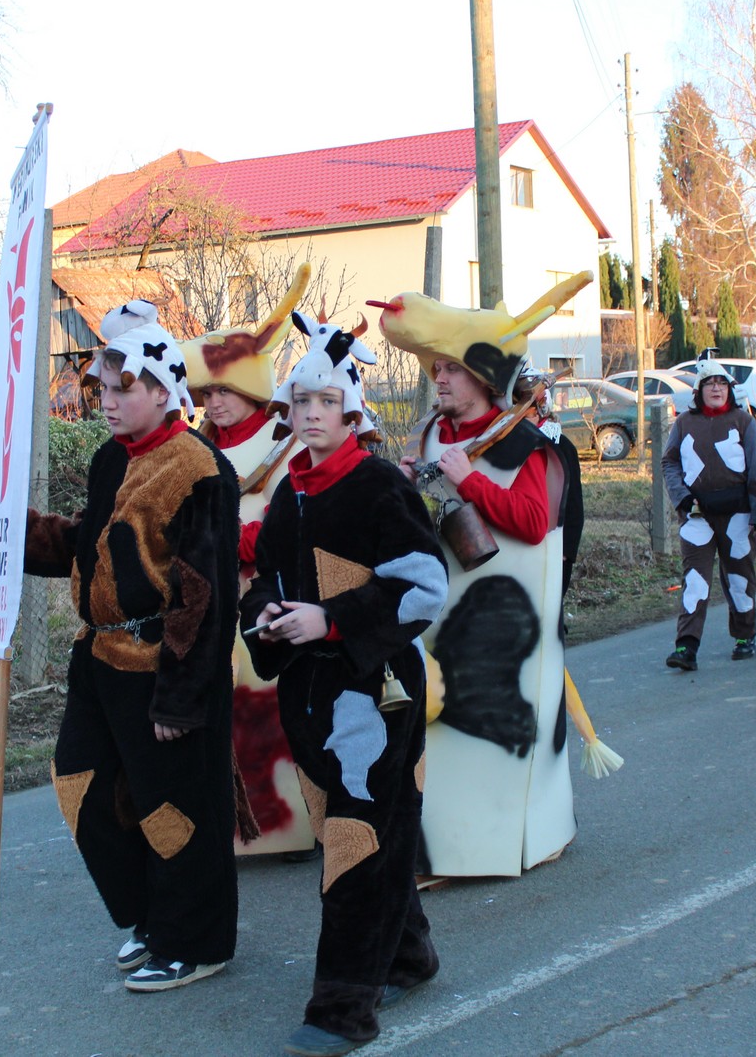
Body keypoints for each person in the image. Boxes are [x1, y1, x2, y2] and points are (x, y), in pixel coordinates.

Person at [241, 313, 445, 1057]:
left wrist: (327, 621)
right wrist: (265, 617)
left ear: (352, 410)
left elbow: (424, 586)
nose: (310, 415)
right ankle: (406, 954)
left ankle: (342, 1008)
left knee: (355, 843)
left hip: (374, 695)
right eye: (300, 404)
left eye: (325, 403)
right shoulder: (288, 495)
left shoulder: (379, 484)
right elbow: (263, 577)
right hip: (309, 701)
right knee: (360, 833)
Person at [22, 300, 241, 992]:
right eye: (104, 391)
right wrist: (16, 536)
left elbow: (203, 594)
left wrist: (181, 694)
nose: (109, 403)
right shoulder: (108, 459)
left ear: (162, 390)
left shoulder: (200, 469)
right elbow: (95, 547)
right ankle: (152, 916)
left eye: (123, 390)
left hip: (163, 669)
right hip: (99, 663)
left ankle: (195, 940)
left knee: (172, 808)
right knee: (84, 787)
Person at [374, 272, 591, 879]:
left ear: (485, 377)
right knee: (438, 731)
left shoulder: (525, 442)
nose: (438, 378)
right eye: (435, 368)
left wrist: (466, 478)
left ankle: (510, 842)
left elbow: (532, 522)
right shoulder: (429, 434)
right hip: (439, 617)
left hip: (505, 622)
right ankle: (445, 848)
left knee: (495, 728)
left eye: (452, 368)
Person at [182, 264, 318, 859]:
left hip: (267, 598)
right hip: (209, 604)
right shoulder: (193, 451)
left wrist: (220, 541)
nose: (216, 403)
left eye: (226, 391)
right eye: (207, 392)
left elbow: (286, 529)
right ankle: (233, 829)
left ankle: (290, 826)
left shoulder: (287, 444)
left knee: (271, 710)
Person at [660, 356, 756, 668]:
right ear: (699, 390)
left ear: (730, 390)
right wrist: (682, 498)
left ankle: (744, 635)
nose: (716, 388)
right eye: (710, 383)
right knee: (695, 581)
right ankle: (686, 646)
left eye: (722, 383)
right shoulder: (684, 423)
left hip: (738, 515)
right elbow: (669, 462)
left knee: (739, 579)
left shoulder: (743, 421)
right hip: (696, 516)